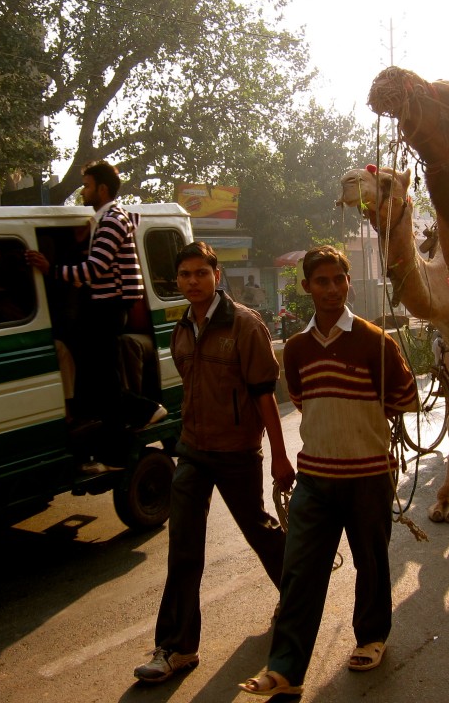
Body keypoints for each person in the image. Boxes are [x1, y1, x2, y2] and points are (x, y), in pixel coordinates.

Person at [238, 245, 417, 697]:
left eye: (339, 279)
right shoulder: (296, 349)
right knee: (300, 571)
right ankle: (285, 671)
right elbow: (301, 400)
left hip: (369, 475)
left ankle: (372, 637)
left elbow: (406, 398)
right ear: (307, 288)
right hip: (315, 479)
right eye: (322, 281)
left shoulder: (376, 341)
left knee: (371, 563)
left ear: (348, 283)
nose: (332, 289)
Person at [133, 241, 295, 684]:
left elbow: (265, 395)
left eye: (200, 273)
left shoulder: (245, 325)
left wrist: (280, 456)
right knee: (183, 546)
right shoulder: (181, 328)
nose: (192, 281)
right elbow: (192, 388)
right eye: (184, 275)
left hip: (238, 452)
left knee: (259, 529)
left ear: (216, 276)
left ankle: (297, 596)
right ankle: (177, 647)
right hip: (194, 450)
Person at [26, 160, 165, 435]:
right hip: (106, 305)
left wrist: (50, 269)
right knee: (99, 372)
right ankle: (115, 424)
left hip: (109, 306)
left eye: (87, 186)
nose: (83, 192)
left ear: (102, 189)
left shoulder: (112, 220)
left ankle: (146, 410)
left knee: (103, 376)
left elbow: (94, 269)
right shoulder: (107, 219)